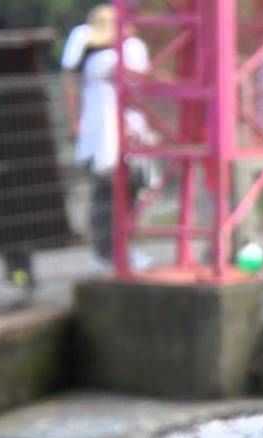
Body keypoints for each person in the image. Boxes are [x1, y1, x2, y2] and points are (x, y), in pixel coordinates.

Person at [61, 4, 153, 272]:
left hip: (127, 132)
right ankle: (105, 252)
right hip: (101, 135)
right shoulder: (90, 49)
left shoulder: (130, 47)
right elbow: (71, 80)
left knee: (129, 191)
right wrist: (75, 120)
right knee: (106, 195)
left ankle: (122, 248)